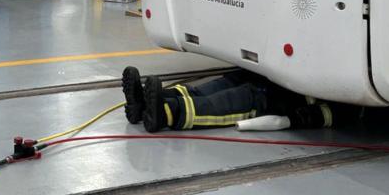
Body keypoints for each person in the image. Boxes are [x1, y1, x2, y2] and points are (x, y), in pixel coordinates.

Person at [121, 67, 336, 132]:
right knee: (218, 87)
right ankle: (146, 104)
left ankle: (167, 113)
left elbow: (332, 114)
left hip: (277, 101)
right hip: (272, 78)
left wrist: (294, 118)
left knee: (222, 104)